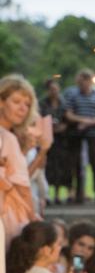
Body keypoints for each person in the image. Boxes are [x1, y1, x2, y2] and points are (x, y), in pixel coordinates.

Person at [0, 75, 38, 246]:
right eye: (16, 101)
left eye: (27, 104)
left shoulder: (9, 137)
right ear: (1, 101)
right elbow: (21, 185)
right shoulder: (7, 137)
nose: (23, 108)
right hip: (9, 215)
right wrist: (33, 215)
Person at [64, 69, 95, 205]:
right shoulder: (73, 97)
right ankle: (79, 194)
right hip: (78, 135)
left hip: (94, 135)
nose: (83, 85)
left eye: (85, 82)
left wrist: (89, 122)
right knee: (77, 165)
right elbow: (68, 114)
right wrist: (82, 120)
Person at [39, 78, 73, 204]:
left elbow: (68, 118)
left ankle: (60, 193)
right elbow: (40, 117)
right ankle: (48, 195)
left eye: (56, 89)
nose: (55, 92)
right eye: (52, 89)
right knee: (50, 166)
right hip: (48, 138)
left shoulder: (63, 103)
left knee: (62, 166)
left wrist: (63, 126)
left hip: (62, 139)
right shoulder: (43, 103)